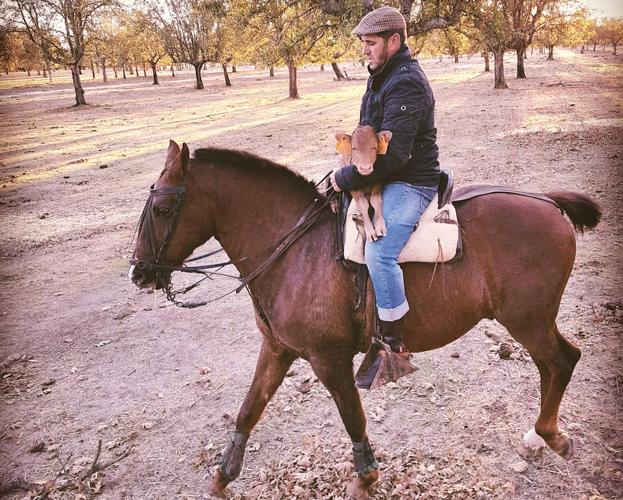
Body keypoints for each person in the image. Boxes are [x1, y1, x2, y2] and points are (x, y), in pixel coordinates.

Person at [330, 6, 441, 386]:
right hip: (386, 175)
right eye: (363, 42)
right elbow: (369, 136)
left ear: (394, 41)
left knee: (380, 251)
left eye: (371, 42)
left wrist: (345, 178)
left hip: (412, 180)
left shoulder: (406, 81)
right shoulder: (381, 76)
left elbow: (394, 156)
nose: (365, 50)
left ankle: (394, 346)